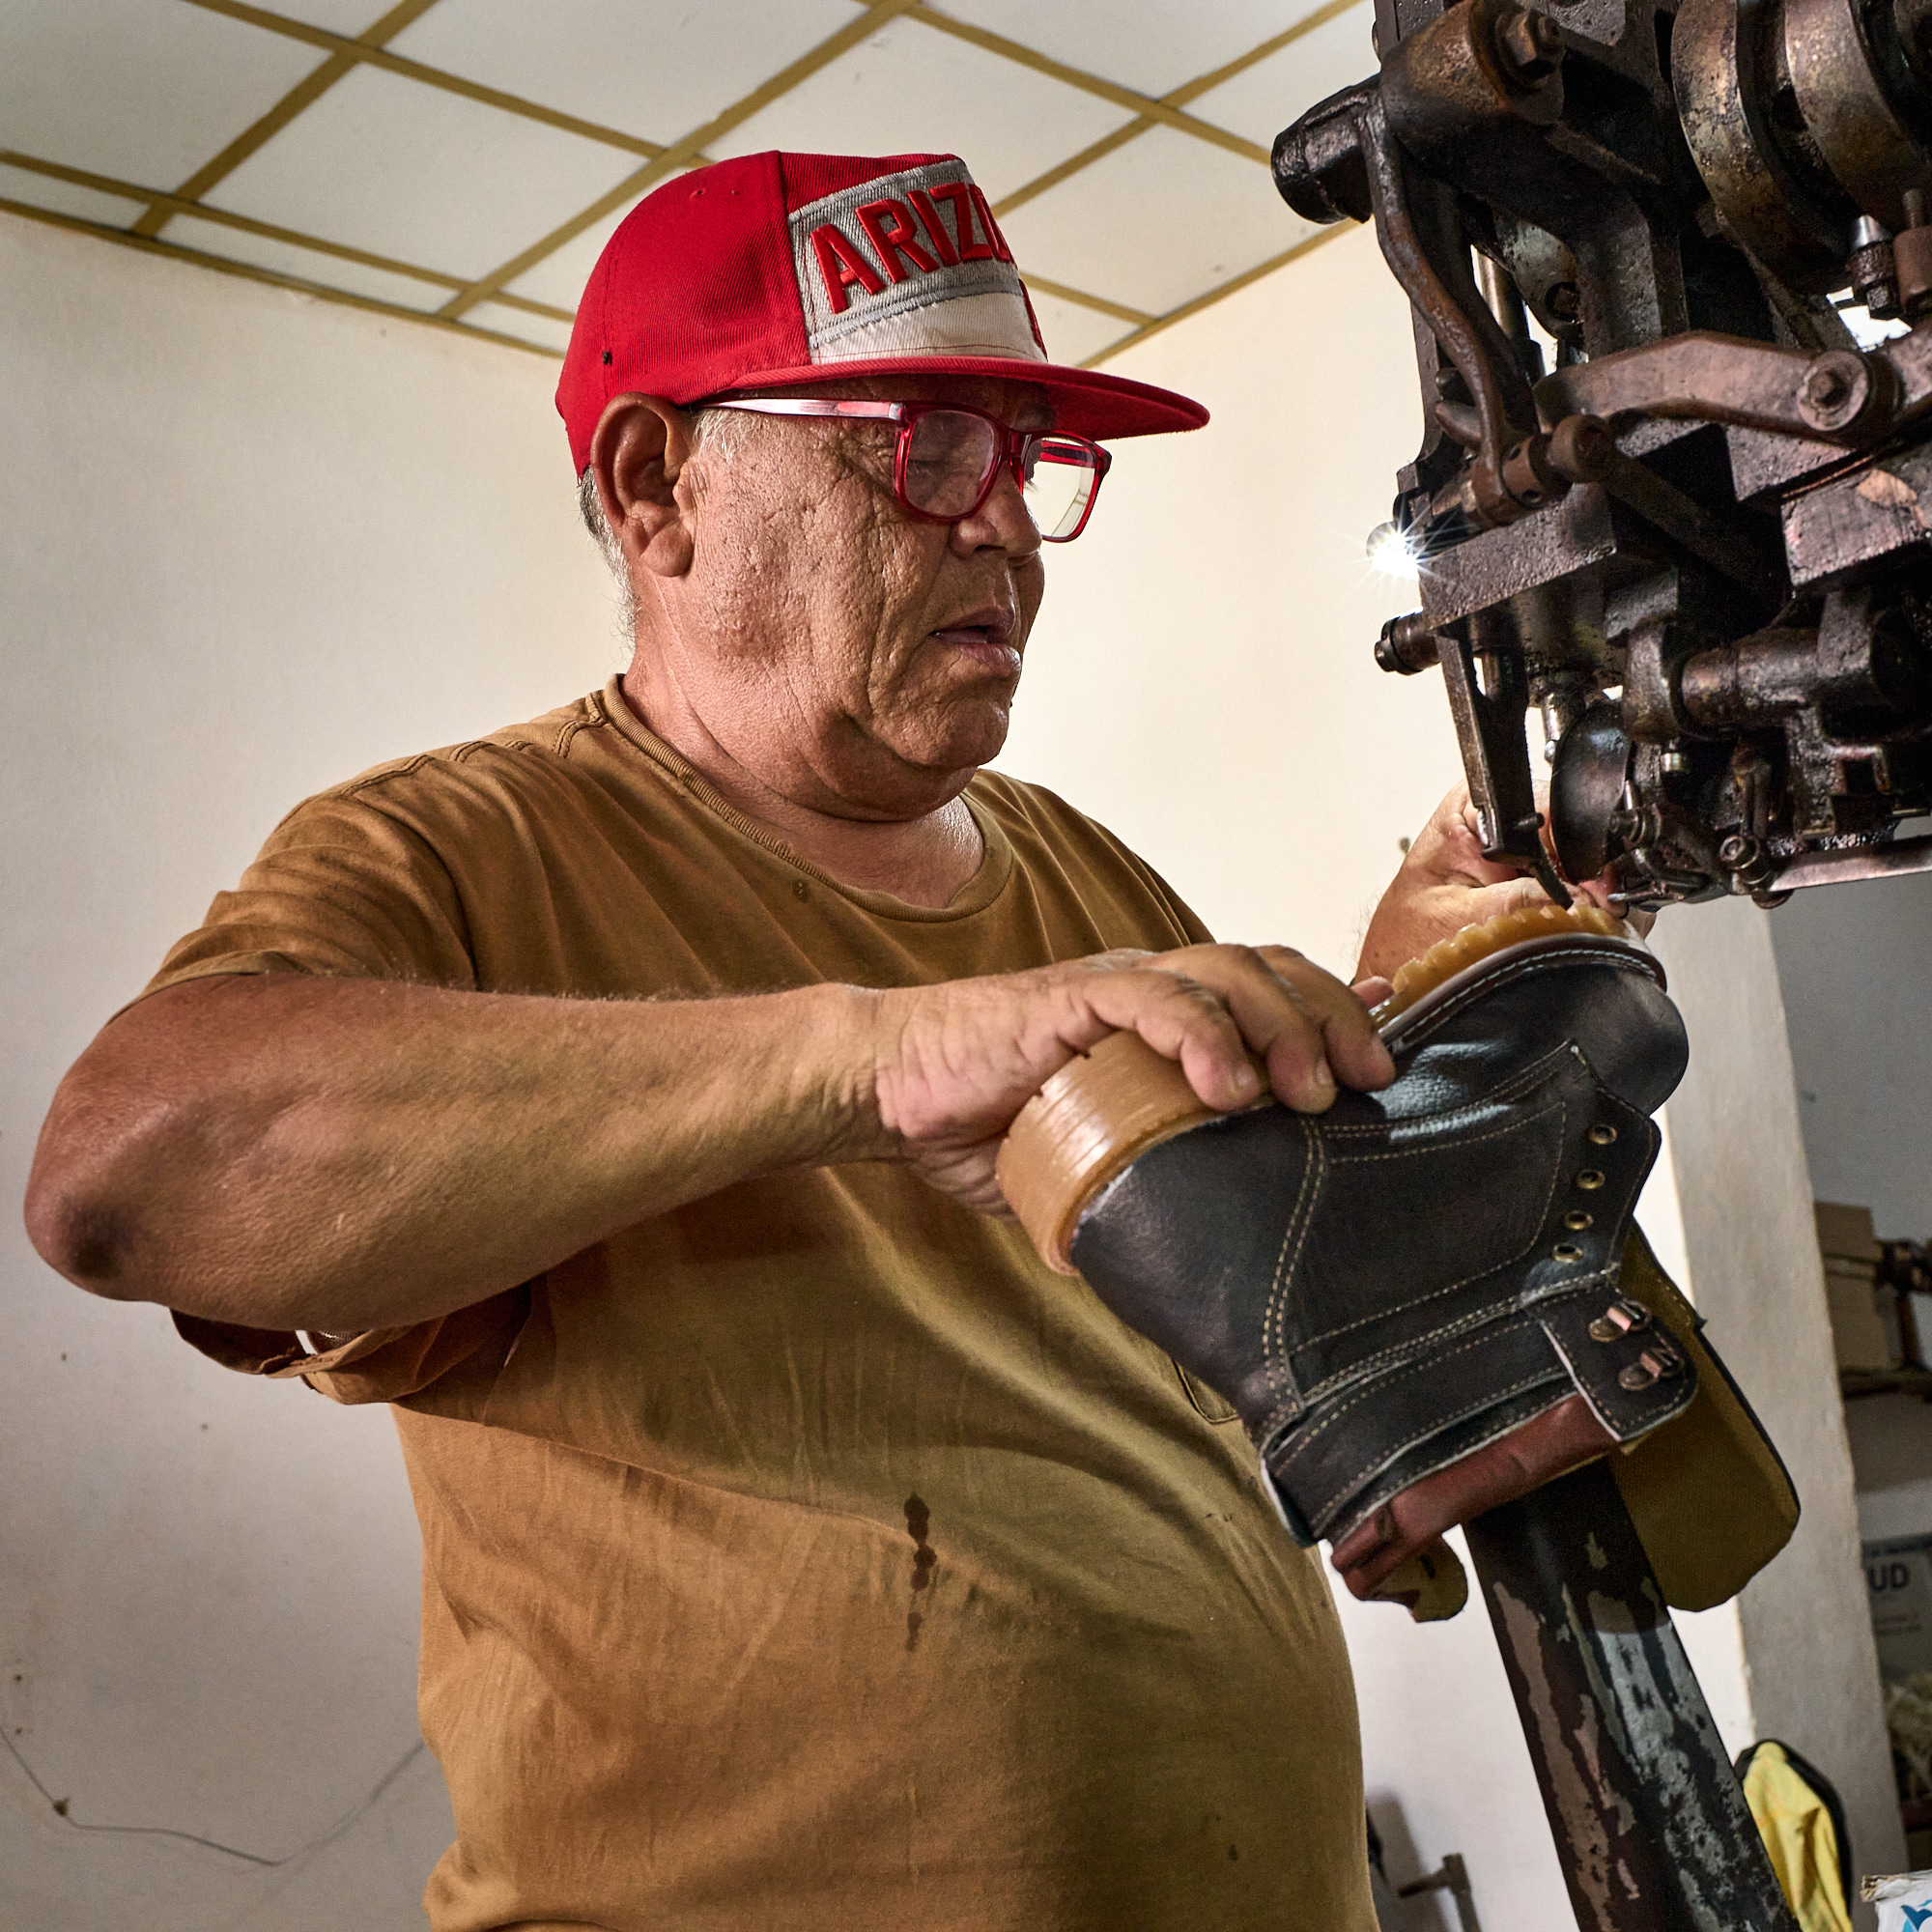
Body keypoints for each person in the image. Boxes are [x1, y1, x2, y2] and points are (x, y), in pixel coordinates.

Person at [25, 150, 1546, 1930]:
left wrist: (1411, 1037)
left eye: (1029, 459)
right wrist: (866, 1061)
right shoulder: (456, 854)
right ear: (660, 486)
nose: (1000, 528)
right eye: (925, 448)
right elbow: (123, 1178)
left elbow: (1200, 1301)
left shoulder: (1078, 865)